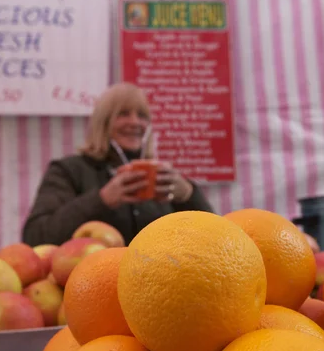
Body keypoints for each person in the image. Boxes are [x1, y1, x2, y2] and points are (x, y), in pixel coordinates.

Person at [22, 82, 213, 246]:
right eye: (123, 114)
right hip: (92, 284)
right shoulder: (69, 171)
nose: (135, 122)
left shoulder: (162, 178)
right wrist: (101, 200)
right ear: (103, 122)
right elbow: (35, 236)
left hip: (156, 284)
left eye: (142, 115)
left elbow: (214, 239)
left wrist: (188, 195)